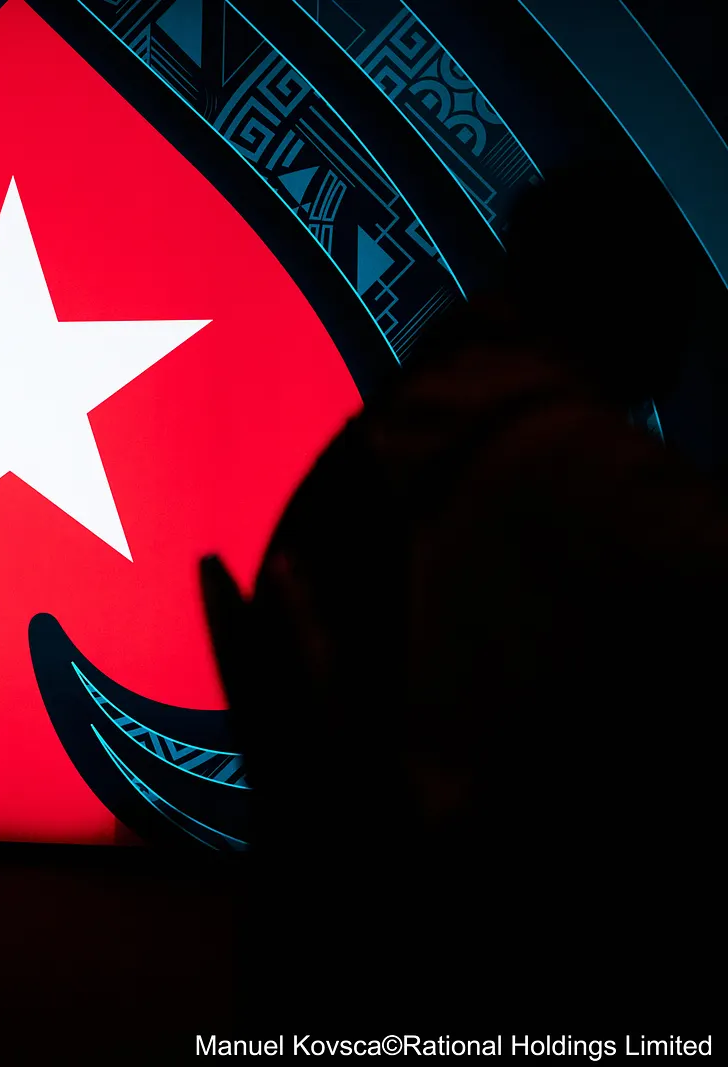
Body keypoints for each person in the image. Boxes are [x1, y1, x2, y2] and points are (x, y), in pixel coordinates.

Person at [208, 158, 726, 1032]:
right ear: (618, 297)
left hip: (341, 953)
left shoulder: (413, 426)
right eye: (669, 288)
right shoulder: (571, 466)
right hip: (478, 959)